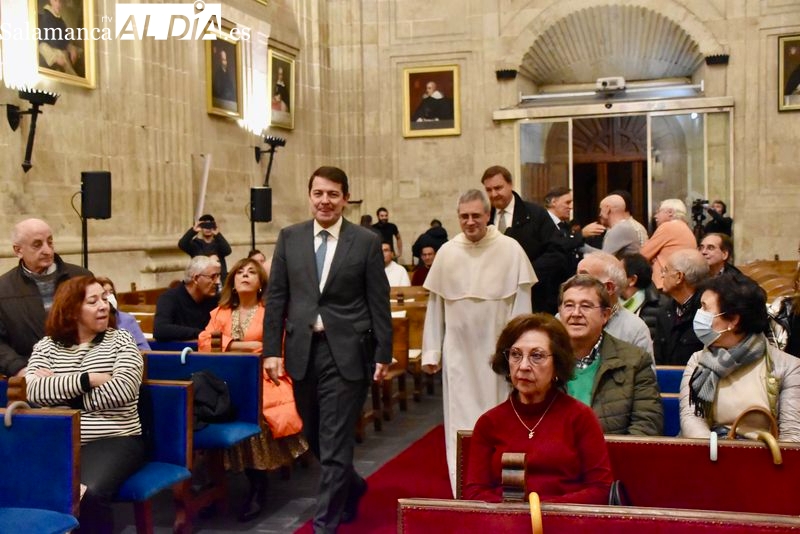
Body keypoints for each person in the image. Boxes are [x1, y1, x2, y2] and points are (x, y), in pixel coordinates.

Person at [262, 166, 392, 533]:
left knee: (335, 441)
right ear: (309, 196)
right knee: (315, 434)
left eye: (333, 194)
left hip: (347, 351)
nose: (325, 201)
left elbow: (377, 299)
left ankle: (324, 526)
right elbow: (277, 299)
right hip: (302, 350)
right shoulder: (290, 238)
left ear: (345, 199)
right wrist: (272, 349)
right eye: (319, 193)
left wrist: (384, 352)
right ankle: (352, 486)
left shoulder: (365, 241)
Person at [422, 188, 536, 495]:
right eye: (464, 216)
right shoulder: (446, 252)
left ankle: (501, 485)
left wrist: (520, 355)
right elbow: (435, 308)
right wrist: (431, 352)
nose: (470, 222)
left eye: (476, 215)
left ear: (488, 215)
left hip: (497, 353)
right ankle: (463, 486)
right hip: (458, 354)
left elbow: (521, 307)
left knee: (501, 418)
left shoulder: (510, 249)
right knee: (460, 421)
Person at [26, 276, 145, 533]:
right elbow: (34, 391)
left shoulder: (121, 341)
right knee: (25, 484)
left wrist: (59, 388)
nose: (104, 305)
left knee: (87, 493)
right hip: (59, 438)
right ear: (71, 310)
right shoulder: (47, 346)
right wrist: (88, 379)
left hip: (114, 437)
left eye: (104, 298)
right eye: (93, 301)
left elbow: (122, 391)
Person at [199, 257, 307, 522]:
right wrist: (246, 346)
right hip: (224, 378)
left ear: (260, 284)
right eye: (240, 272)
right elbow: (204, 341)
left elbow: (274, 348)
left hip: (264, 376)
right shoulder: (221, 312)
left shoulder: (270, 311)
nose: (245, 275)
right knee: (205, 413)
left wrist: (230, 344)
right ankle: (216, 483)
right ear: (232, 282)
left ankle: (258, 483)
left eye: (251, 273)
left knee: (255, 411)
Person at [464, 313, 613, 503]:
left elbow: (600, 489)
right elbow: (474, 493)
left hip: (565, 526)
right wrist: (514, 516)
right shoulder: (490, 422)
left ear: (557, 364)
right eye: (516, 354)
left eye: (537, 356)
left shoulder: (580, 417)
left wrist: (540, 511)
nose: (524, 366)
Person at [680, 274, 800, 442]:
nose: (699, 314)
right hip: (711, 456)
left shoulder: (788, 366)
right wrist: (717, 455)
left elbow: (791, 436)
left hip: (763, 460)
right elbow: (691, 418)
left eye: (705, 308)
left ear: (733, 320)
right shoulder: (698, 360)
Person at [558, 274, 663, 435]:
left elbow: (646, 425)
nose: (576, 313)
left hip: (614, 457)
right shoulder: (543, 358)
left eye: (586, 306)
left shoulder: (635, 360)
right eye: (569, 305)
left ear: (605, 315)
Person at [0, 218, 90, 377]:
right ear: (18, 250)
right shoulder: (3, 289)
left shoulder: (81, 278)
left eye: (50, 242)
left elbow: (104, 326)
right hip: (32, 380)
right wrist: (20, 369)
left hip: (83, 372)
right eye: (37, 245)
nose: (48, 250)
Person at [482, 165, 566, 314]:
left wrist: (524, 274)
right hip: (495, 300)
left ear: (510, 185)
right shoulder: (485, 218)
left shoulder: (536, 214)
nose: (494, 194)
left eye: (498, 188)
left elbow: (557, 253)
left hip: (533, 297)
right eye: (489, 190)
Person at [576, 251, 654, 358]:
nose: (574, 284)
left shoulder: (635, 329)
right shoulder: (563, 319)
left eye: (583, 278)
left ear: (608, 287)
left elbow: (645, 373)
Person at [653, 249, 709, 366]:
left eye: (666, 270)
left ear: (679, 277)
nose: (662, 275)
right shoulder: (664, 312)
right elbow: (658, 357)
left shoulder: (706, 312)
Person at [153, 256, 220, 341]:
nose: (217, 282)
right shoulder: (169, 298)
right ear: (196, 278)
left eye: (218, 276)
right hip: (178, 352)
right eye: (212, 277)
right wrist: (202, 333)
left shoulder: (215, 299)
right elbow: (160, 330)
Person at [640, 199, 697, 289]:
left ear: (670, 212)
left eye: (658, 212)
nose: (655, 216)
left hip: (662, 284)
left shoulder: (668, 226)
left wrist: (654, 257)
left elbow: (642, 255)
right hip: (680, 284)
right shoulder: (687, 230)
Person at [96, 276, 151, 351]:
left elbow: (145, 349)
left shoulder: (127, 319)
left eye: (111, 292)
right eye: (105, 293)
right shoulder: (93, 321)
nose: (109, 296)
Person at [620, 253, 662, 343]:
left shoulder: (658, 307)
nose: (613, 276)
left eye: (618, 272)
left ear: (632, 280)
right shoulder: (610, 301)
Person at [178, 214, 232, 282]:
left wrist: (218, 234)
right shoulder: (195, 244)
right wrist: (193, 230)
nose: (208, 228)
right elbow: (182, 244)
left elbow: (228, 251)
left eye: (210, 226)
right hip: (201, 281)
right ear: (201, 227)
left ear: (214, 226)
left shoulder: (219, 244)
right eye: (205, 226)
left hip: (219, 281)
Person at [37, 0, 82, 76]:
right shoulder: (46, 17)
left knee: (79, 52)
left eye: (60, 2)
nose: (58, 4)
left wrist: (71, 47)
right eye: (55, 1)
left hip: (60, 48)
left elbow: (64, 37)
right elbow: (45, 42)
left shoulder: (59, 19)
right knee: (61, 57)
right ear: (51, 1)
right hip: (49, 49)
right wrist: (55, 57)